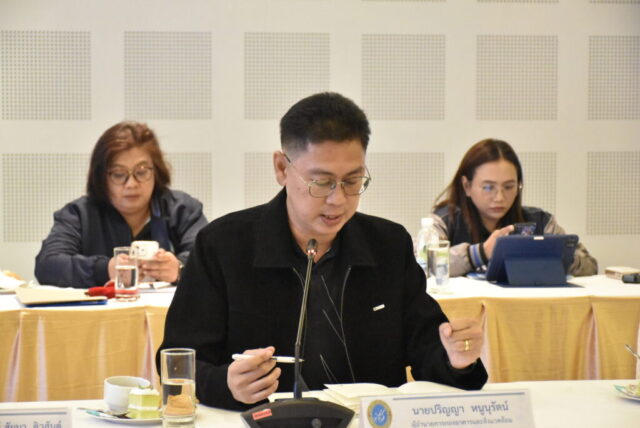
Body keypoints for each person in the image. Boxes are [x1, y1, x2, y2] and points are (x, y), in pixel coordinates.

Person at [158, 92, 487, 411]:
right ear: (281, 168)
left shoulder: (388, 245)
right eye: (321, 182)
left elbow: (426, 348)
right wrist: (226, 384)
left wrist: (456, 360)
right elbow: (178, 362)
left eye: (352, 181)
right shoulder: (224, 245)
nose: (338, 200)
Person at [35, 121, 208, 288]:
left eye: (141, 172)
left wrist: (180, 268)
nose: (131, 184)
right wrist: (105, 269)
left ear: (157, 171)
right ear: (101, 177)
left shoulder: (182, 209)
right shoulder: (79, 214)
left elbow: (210, 260)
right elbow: (47, 265)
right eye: (118, 174)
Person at [432, 138, 598, 277]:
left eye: (509, 187)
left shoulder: (540, 221)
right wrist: (481, 252)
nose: (499, 197)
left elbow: (590, 266)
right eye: (488, 187)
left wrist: (553, 254)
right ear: (467, 186)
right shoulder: (444, 221)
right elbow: (426, 266)